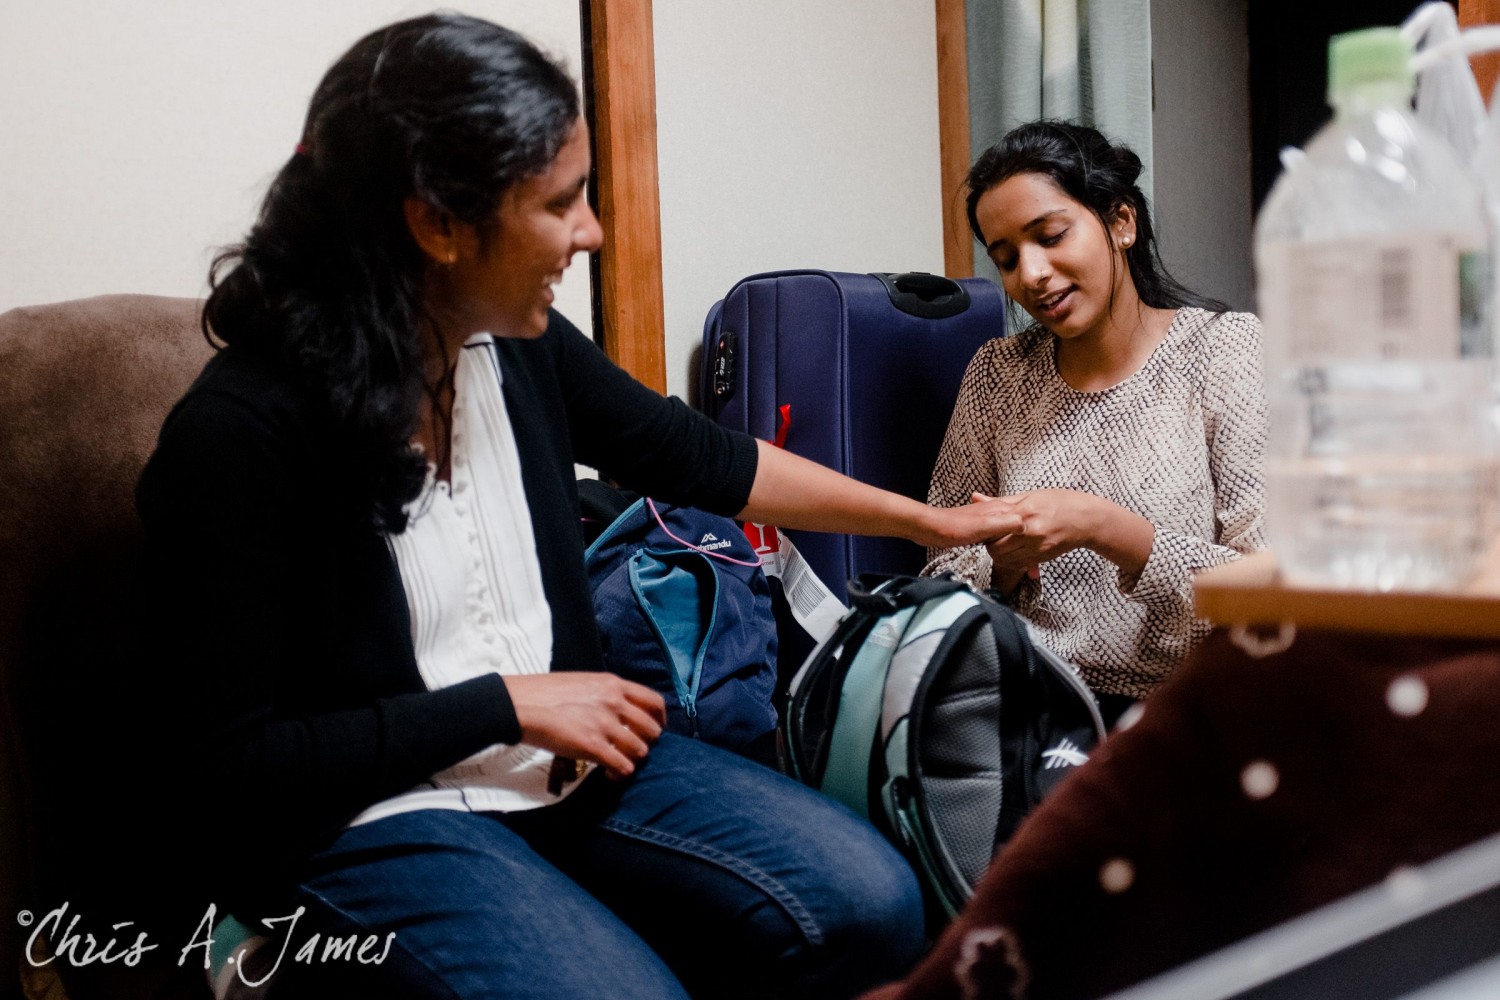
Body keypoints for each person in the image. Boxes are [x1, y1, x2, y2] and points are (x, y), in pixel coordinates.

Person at [127, 15, 1024, 1000]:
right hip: (371, 813)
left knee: (872, 900)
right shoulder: (240, 433)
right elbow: (221, 771)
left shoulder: (521, 347)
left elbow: (708, 459)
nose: (593, 232)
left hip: (552, 770)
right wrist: (505, 701)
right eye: (562, 203)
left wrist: (928, 522)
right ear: (437, 224)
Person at [924, 121, 1266, 726]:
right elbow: (939, 575)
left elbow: (1271, 590)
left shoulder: (1222, 351)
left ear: (1121, 222)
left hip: (1193, 716)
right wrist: (1001, 564)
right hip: (1031, 717)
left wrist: (1105, 529)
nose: (1030, 274)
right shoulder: (997, 374)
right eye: (1006, 259)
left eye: (1051, 236)